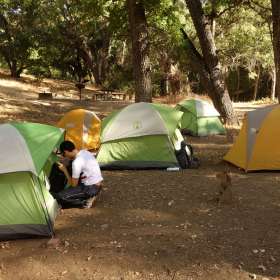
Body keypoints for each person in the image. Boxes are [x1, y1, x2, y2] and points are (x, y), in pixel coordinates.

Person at [55, 140, 103, 209]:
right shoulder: (84, 152)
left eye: (64, 154)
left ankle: (87, 200)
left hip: (90, 188)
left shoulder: (77, 163)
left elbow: (74, 184)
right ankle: (87, 196)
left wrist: (64, 170)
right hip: (97, 184)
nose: (65, 156)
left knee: (60, 197)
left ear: (66, 152)